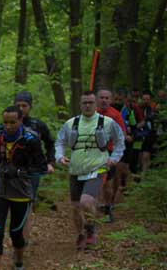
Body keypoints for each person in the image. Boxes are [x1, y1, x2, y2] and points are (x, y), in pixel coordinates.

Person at [0, 106, 46, 270]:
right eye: (5, 122)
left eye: (12, 122)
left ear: (21, 120)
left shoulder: (31, 140)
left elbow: (41, 167)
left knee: (16, 233)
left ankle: (18, 264)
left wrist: (19, 171)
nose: (8, 126)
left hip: (21, 192)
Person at [55, 91, 125, 251]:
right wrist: (60, 157)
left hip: (97, 168)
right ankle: (81, 234)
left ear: (95, 104)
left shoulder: (107, 122)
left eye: (90, 102)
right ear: (80, 104)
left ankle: (91, 229)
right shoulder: (71, 123)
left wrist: (114, 158)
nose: (87, 105)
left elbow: (120, 140)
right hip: (75, 169)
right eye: (84, 103)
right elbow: (59, 142)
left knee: (86, 201)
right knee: (75, 206)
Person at [13, 91, 55, 243]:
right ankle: (17, 238)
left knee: (27, 206)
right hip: (12, 172)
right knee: (14, 207)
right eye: (18, 105)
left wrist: (50, 162)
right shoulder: (8, 123)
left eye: (24, 105)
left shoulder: (38, 125)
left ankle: (23, 242)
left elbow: (50, 144)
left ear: (30, 107)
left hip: (33, 171)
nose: (21, 108)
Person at [96, 88, 129, 222]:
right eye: (101, 98)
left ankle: (108, 207)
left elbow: (122, 135)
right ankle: (94, 208)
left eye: (106, 98)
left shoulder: (115, 115)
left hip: (108, 153)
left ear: (110, 100)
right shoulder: (90, 113)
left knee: (106, 182)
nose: (104, 100)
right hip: (91, 152)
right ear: (97, 99)